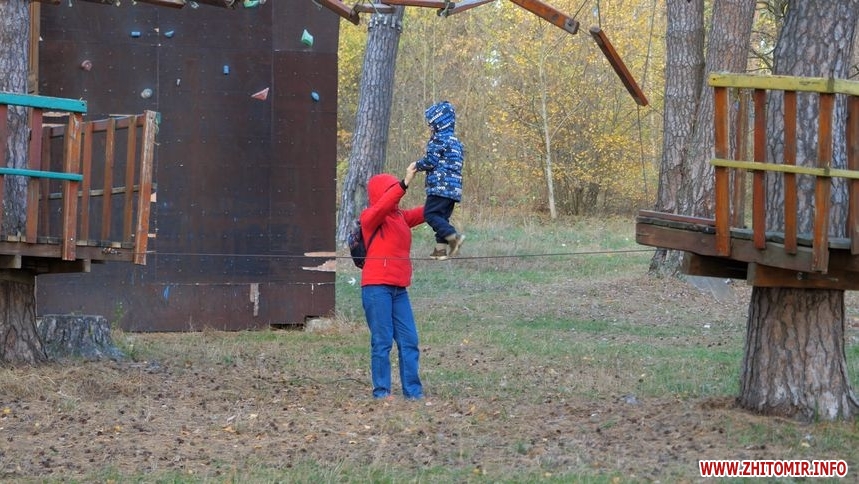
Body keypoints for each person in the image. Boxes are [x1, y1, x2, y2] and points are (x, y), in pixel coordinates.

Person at [360, 162, 425, 400]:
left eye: (393, 189)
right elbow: (384, 205)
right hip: (376, 288)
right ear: (380, 194)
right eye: (388, 190)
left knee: (409, 340)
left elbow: (426, 212)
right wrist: (404, 183)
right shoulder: (371, 217)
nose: (393, 194)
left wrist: (444, 194)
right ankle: (382, 392)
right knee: (382, 341)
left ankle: (413, 392)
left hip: (399, 289)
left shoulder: (400, 217)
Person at [415, 100, 465, 260]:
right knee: (442, 218)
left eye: (432, 124)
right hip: (454, 189)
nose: (430, 127)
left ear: (440, 124)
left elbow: (430, 161)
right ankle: (440, 250)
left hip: (440, 186)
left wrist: (416, 165)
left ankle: (454, 238)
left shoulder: (438, 140)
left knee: (430, 214)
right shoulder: (457, 142)